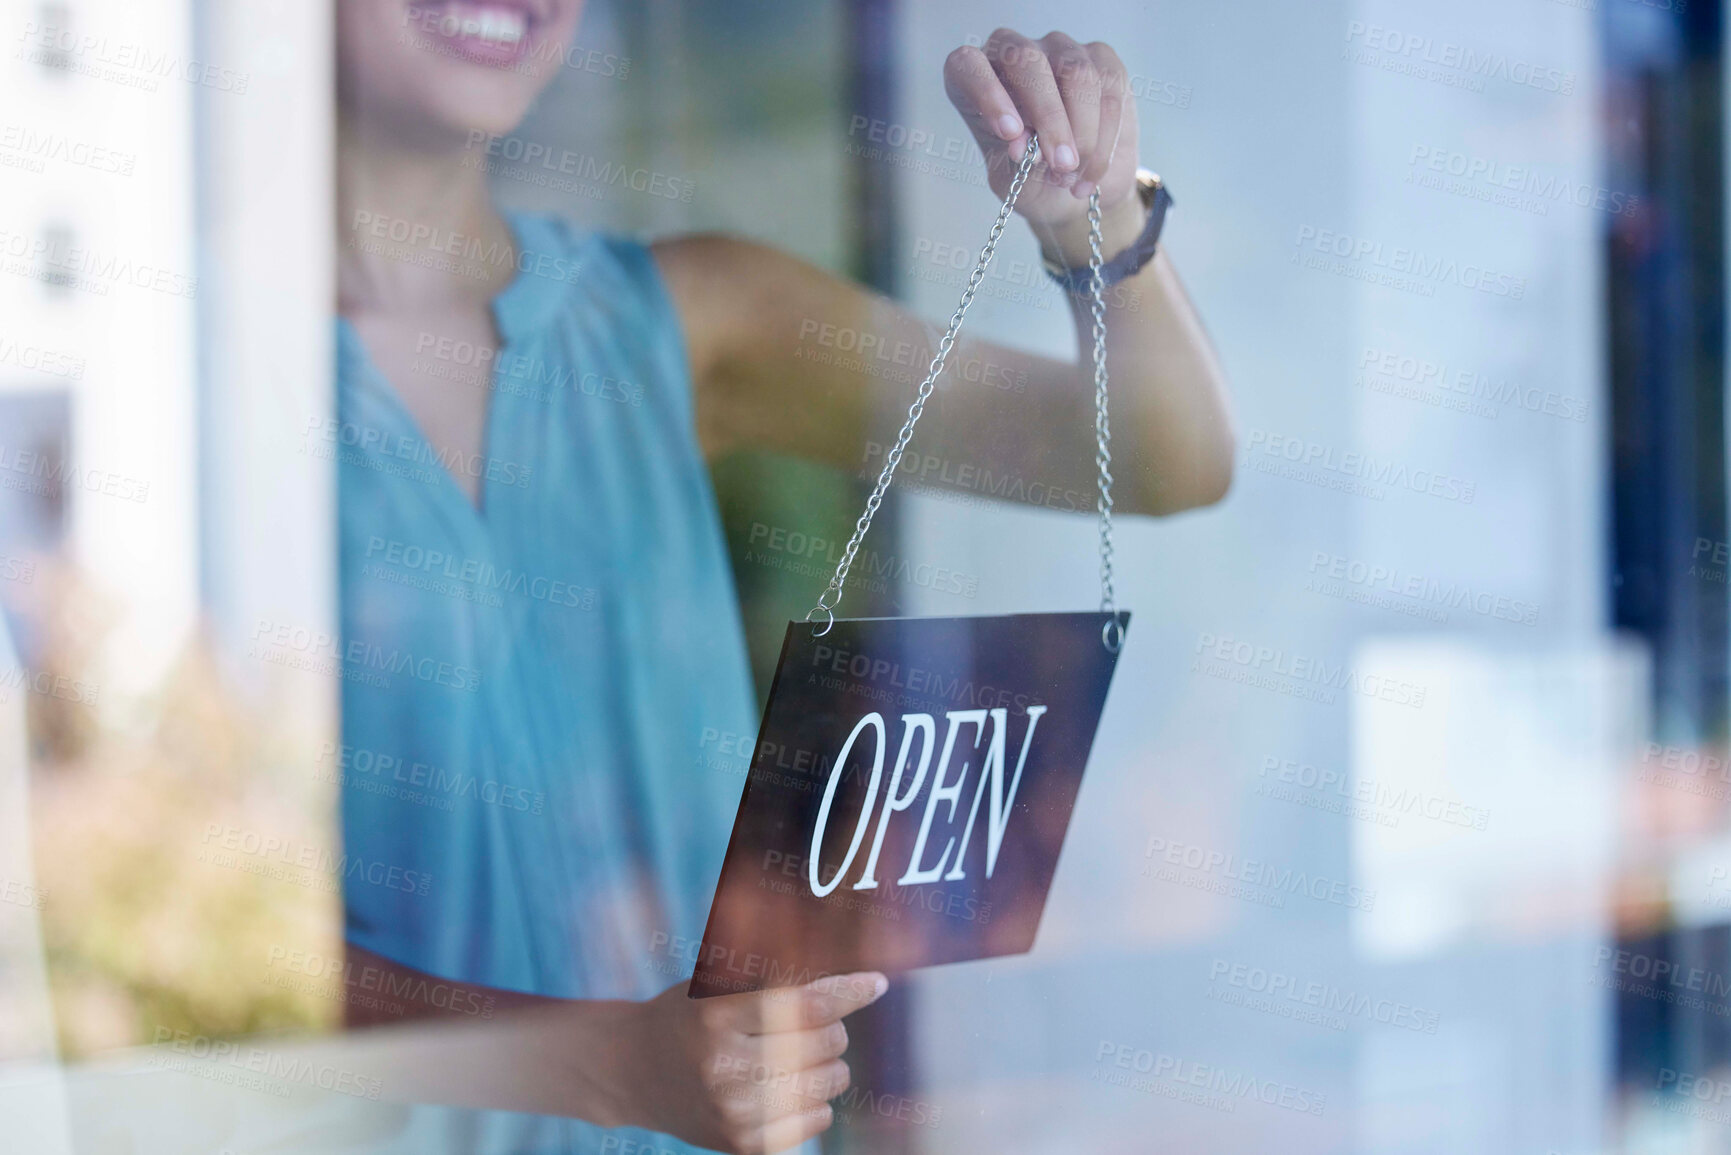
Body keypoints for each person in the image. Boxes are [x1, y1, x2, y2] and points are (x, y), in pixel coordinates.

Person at [333, 2, 1233, 1153]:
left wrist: (1096, 218)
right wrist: (596, 1064)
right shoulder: (161, 371)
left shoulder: (685, 321)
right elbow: (153, 942)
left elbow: (1166, 458)